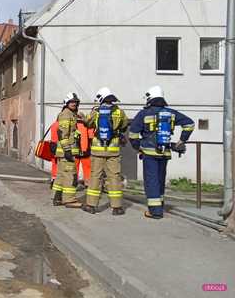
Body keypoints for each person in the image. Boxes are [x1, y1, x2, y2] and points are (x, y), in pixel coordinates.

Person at [129, 86, 194, 219]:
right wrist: (181, 141)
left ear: (149, 98)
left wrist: (138, 148)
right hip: (165, 153)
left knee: (151, 180)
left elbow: (133, 134)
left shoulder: (144, 114)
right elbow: (190, 124)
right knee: (160, 179)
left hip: (149, 153)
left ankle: (155, 211)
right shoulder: (170, 113)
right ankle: (160, 205)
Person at [81, 87, 129, 215]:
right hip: (113, 150)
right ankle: (117, 207)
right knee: (114, 177)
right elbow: (124, 125)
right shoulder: (119, 111)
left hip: (97, 150)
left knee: (95, 176)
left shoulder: (96, 111)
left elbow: (88, 123)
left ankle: (91, 205)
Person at [53, 92, 83, 208]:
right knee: (71, 175)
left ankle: (57, 198)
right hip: (66, 151)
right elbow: (62, 134)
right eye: (71, 102)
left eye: (75, 102)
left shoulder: (70, 114)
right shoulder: (66, 114)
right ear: (67, 103)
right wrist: (67, 150)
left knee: (61, 175)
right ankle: (70, 200)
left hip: (64, 152)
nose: (74, 104)